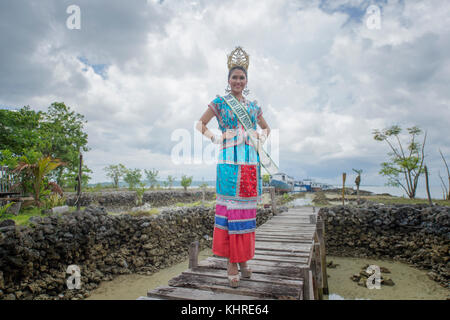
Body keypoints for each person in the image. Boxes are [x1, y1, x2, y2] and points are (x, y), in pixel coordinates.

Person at [196, 47, 271, 288]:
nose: (238, 81)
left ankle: (244, 260)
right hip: (228, 162)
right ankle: (231, 262)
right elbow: (200, 124)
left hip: (249, 163)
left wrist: (261, 138)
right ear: (228, 81)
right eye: (234, 77)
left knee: (247, 214)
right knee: (230, 213)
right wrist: (215, 138)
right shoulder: (220, 102)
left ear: (246, 81)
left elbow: (267, 128)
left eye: (242, 77)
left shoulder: (253, 106)